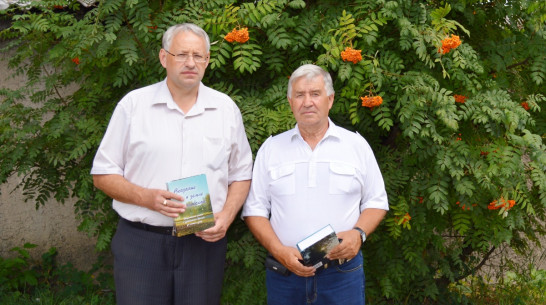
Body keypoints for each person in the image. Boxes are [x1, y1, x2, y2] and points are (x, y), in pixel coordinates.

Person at [91, 23, 253, 305]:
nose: (191, 62)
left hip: (203, 244)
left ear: (207, 61)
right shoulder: (134, 106)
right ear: (164, 58)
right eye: (182, 54)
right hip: (142, 242)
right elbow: (103, 174)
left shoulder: (225, 109)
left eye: (198, 56)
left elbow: (241, 174)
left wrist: (226, 216)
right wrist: (146, 197)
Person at [242, 64, 389, 305]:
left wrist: (358, 234)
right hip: (286, 274)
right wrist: (279, 251)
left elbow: (376, 201)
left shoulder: (356, 146)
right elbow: (254, 210)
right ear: (290, 102)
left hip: (341, 274)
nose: (307, 102)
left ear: (330, 100)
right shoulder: (271, 148)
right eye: (299, 95)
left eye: (315, 94)